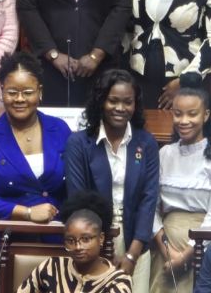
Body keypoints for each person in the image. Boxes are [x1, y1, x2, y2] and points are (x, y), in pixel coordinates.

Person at [0, 52, 73, 293]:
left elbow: (75, 187)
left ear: (40, 92)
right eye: (12, 92)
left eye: (27, 92)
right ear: (1, 92)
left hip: (54, 244)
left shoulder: (60, 129)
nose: (20, 99)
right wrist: (26, 213)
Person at [65, 70, 160, 292]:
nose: (120, 108)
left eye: (128, 102)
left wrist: (132, 254)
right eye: (113, 100)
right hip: (93, 241)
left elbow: (149, 199)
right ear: (101, 101)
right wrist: (101, 245)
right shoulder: (78, 144)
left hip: (136, 240)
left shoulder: (146, 143)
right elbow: (78, 201)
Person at [150, 87, 211, 293]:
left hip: (203, 246)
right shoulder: (164, 153)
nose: (184, 120)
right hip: (164, 244)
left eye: (192, 114)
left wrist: (187, 254)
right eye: (178, 114)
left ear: (206, 115)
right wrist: (167, 250)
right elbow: (151, 208)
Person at [15, 190, 132, 293]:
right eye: (71, 240)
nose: (78, 246)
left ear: (100, 238)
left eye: (86, 239)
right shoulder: (51, 267)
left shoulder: (118, 282)